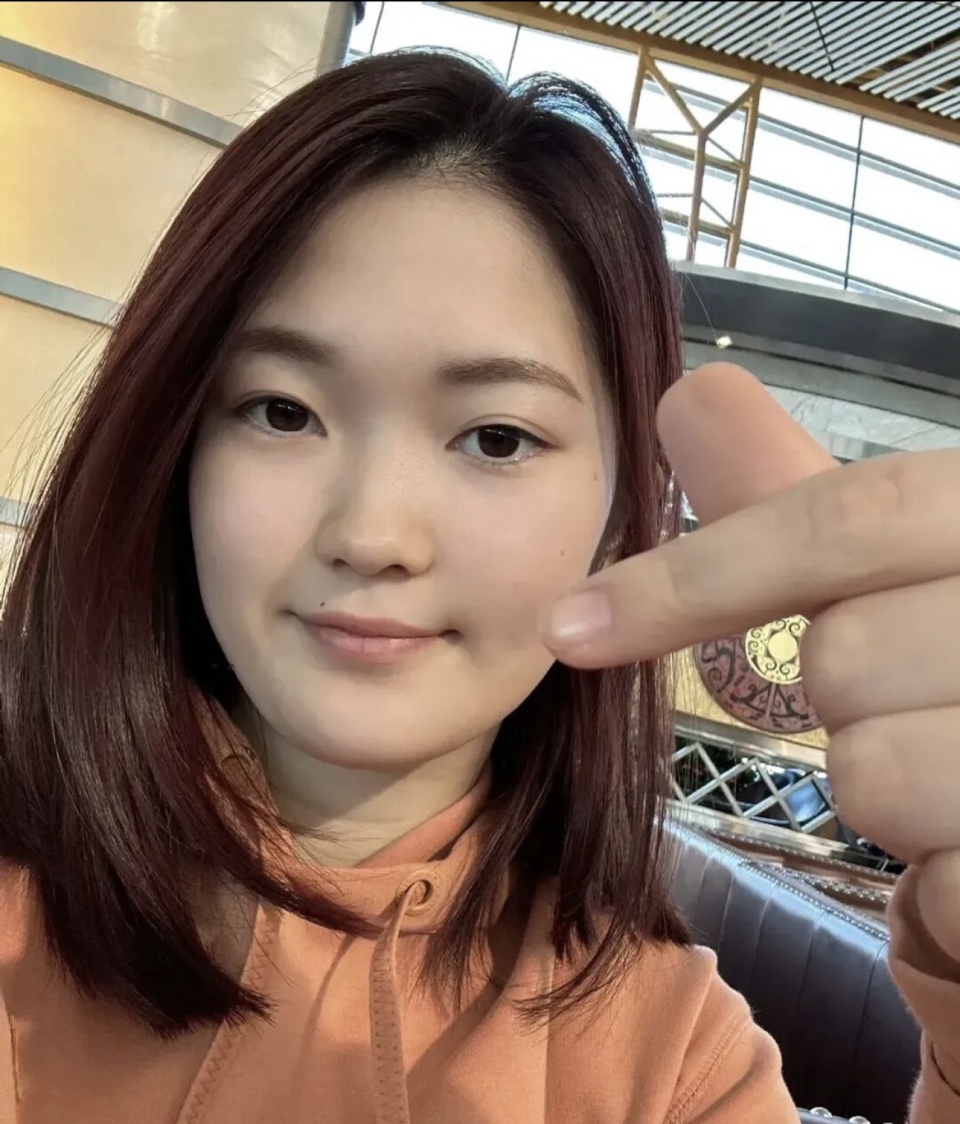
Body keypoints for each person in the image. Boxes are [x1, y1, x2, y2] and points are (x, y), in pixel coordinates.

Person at [0, 48, 956, 1124]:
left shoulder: (671, 1062)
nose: (372, 535)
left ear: (617, 515)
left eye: (496, 436)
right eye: (282, 411)